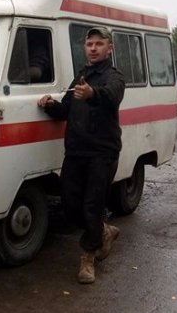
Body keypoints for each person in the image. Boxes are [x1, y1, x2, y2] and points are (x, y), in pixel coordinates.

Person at [38, 26, 125, 284]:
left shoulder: (114, 76)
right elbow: (66, 109)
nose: (94, 48)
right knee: (69, 205)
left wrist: (92, 94)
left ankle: (89, 257)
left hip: (102, 152)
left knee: (92, 205)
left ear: (109, 48)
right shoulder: (81, 77)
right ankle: (102, 231)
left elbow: (111, 96)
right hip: (76, 151)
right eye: (90, 44)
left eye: (99, 43)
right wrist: (49, 105)